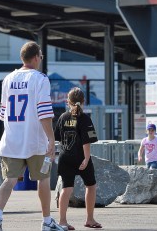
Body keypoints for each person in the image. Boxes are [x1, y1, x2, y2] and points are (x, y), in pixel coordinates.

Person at [0, 41, 65, 231]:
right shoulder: (40, 79)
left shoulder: (8, 79)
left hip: (12, 138)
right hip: (35, 139)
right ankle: (47, 221)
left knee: (9, 180)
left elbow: (3, 113)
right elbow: (44, 113)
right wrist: (51, 138)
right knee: (43, 178)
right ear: (36, 57)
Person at [55, 88, 101, 230]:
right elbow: (86, 141)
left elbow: (58, 138)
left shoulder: (63, 117)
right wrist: (87, 159)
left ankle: (62, 221)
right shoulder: (84, 118)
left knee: (66, 188)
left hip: (65, 157)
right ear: (83, 101)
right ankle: (89, 219)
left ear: (67, 101)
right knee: (91, 186)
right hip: (81, 158)